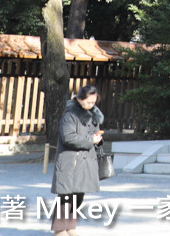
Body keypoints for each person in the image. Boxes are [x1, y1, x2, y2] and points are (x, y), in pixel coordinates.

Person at [50, 85, 104, 236]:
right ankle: (60, 230)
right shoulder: (69, 116)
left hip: (86, 163)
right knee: (66, 197)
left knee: (79, 196)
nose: (91, 105)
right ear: (80, 99)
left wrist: (98, 139)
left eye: (94, 102)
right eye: (88, 102)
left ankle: (71, 227)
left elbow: (94, 136)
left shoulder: (93, 116)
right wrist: (90, 140)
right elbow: (68, 137)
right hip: (70, 162)